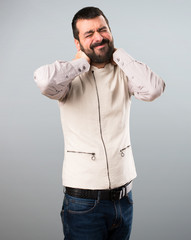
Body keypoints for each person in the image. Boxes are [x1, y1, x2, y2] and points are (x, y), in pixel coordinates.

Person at [34, 6, 165, 240]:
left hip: (124, 200)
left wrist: (119, 54)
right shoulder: (67, 79)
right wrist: (81, 62)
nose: (98, 37)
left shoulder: (124, 72)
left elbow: (154, 89)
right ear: (77, 43)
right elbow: (44, 82)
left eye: (103, 30)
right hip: (84, 203)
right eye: (89, 34)